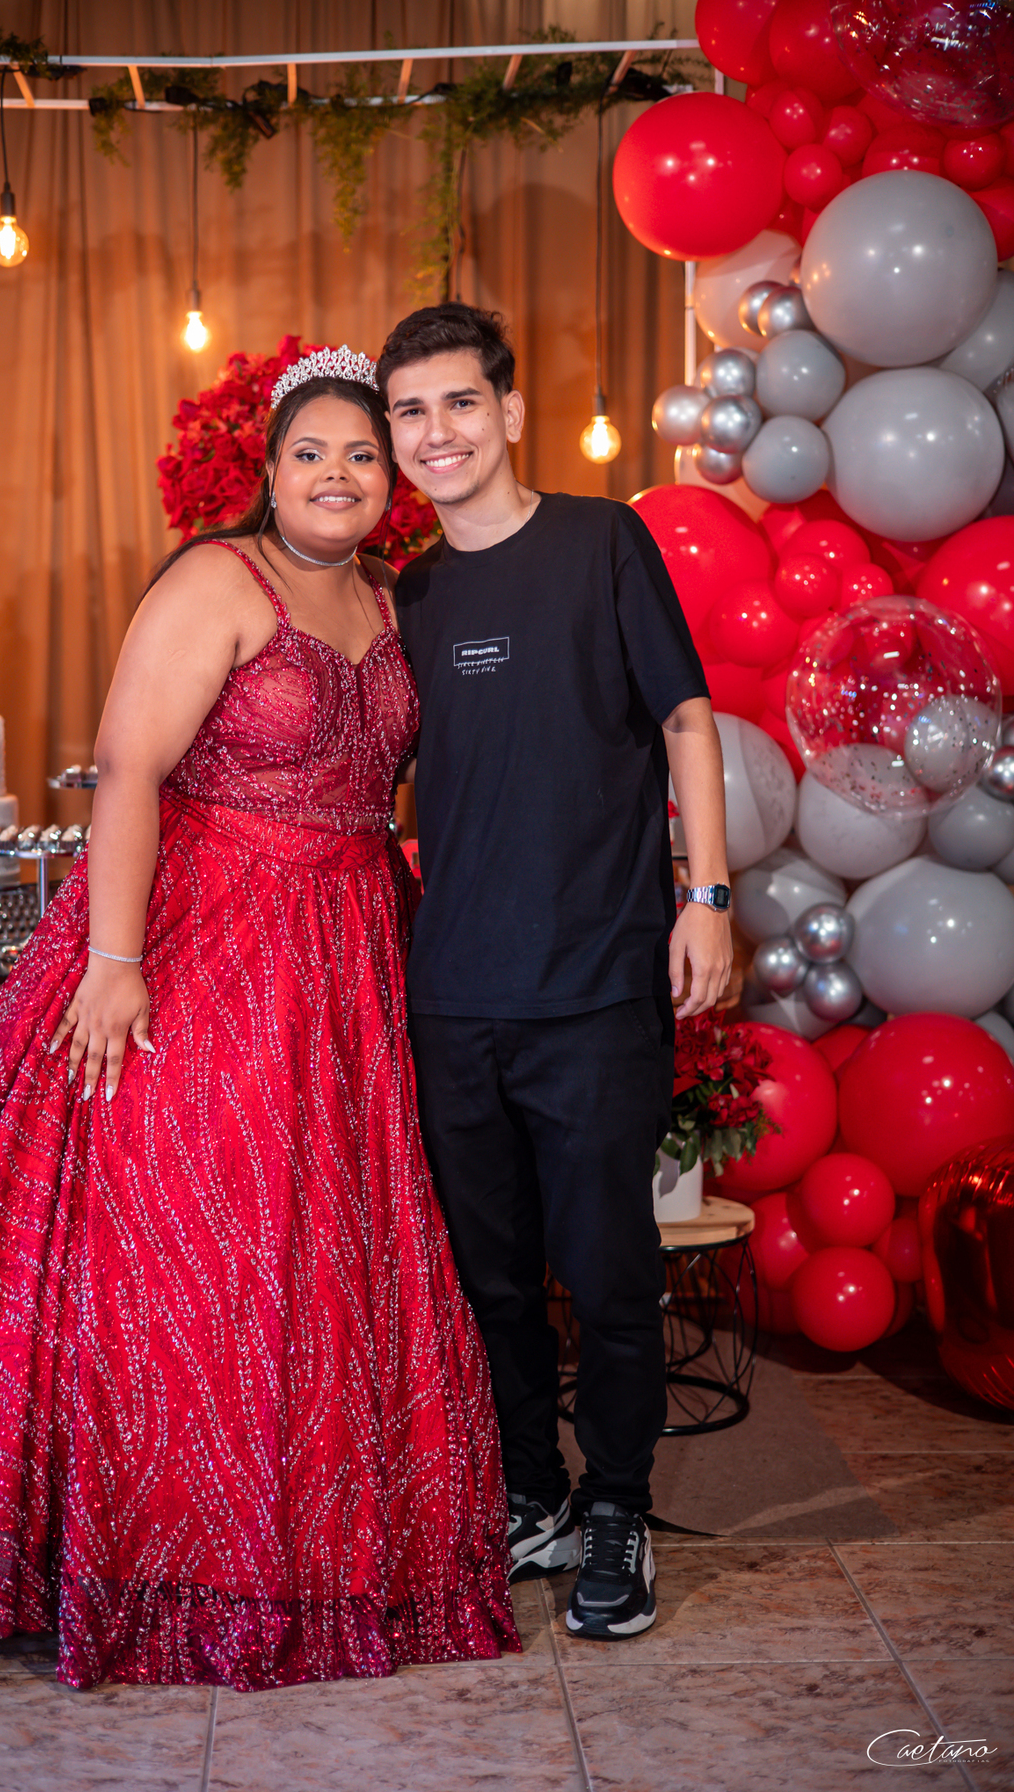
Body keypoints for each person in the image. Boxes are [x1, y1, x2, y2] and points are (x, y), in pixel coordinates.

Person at [0, 348, 518, 1691]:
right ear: (269, 469)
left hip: (353, 949)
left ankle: (313, 1547)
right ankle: (168, 1554)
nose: (337, 474)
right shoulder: (219, 581)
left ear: (393, 478)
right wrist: (116, 959)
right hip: (210, 936)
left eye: (362, 455)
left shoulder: (394, 597)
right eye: (311, 452)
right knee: (200, 1234)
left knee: (329, 1243)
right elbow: (131, 766)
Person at [377, 304, 733, 1641]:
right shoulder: (409, 594)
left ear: (510, 413)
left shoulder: (601, 542)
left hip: (593, 983)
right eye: (411, 412)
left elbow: (686, 717)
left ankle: (620, 1509)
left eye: (460, 403)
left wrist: (706, 896)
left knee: (610, 1268)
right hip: (453, 992)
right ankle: (534, 1493)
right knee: (490, 1280)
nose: (437, 434)